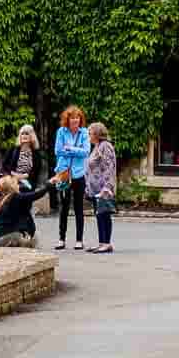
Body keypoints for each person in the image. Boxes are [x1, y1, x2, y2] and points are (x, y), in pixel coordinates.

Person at [0, 168, 69, 247]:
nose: (18, 185)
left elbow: (27, 191)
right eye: (16, 183)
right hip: (4, 238)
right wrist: (50, 183)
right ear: (12, 187)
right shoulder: (15, 198)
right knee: (26, 239)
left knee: (30, 237)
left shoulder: (2, 199)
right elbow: (36, 195)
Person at [52, 104, 91, 250]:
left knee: (79, 207)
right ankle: (61, 239)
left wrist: (69, 149)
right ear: (67, 120)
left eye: (77, 118)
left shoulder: (84, 132)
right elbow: (57, 151)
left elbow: (86, 152)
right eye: (72, 118)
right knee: (64, 206)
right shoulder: (61, 132)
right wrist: (75, 151)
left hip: (78, 173)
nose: (75, 120)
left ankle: (79, 240)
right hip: (63, 173)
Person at [86, 121, 117, 254]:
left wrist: (107, 187)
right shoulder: (97, 146)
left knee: (104, 215)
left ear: (97, 134)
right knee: (99, 215)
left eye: (90, 133)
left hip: (103, 188)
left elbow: (109, 167)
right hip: (95, 188)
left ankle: (106, 243)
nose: (88, 135)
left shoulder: (106, 146)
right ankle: (102, 242)